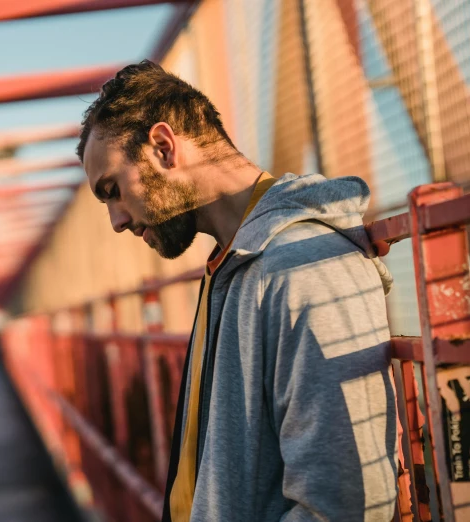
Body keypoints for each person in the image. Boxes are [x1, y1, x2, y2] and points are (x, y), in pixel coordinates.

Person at [77, 60, 397, 522]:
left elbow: (346, 505)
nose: (117, 221)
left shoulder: (300, 265)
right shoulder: (236, 265)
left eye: (113, 189)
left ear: (164, 148)